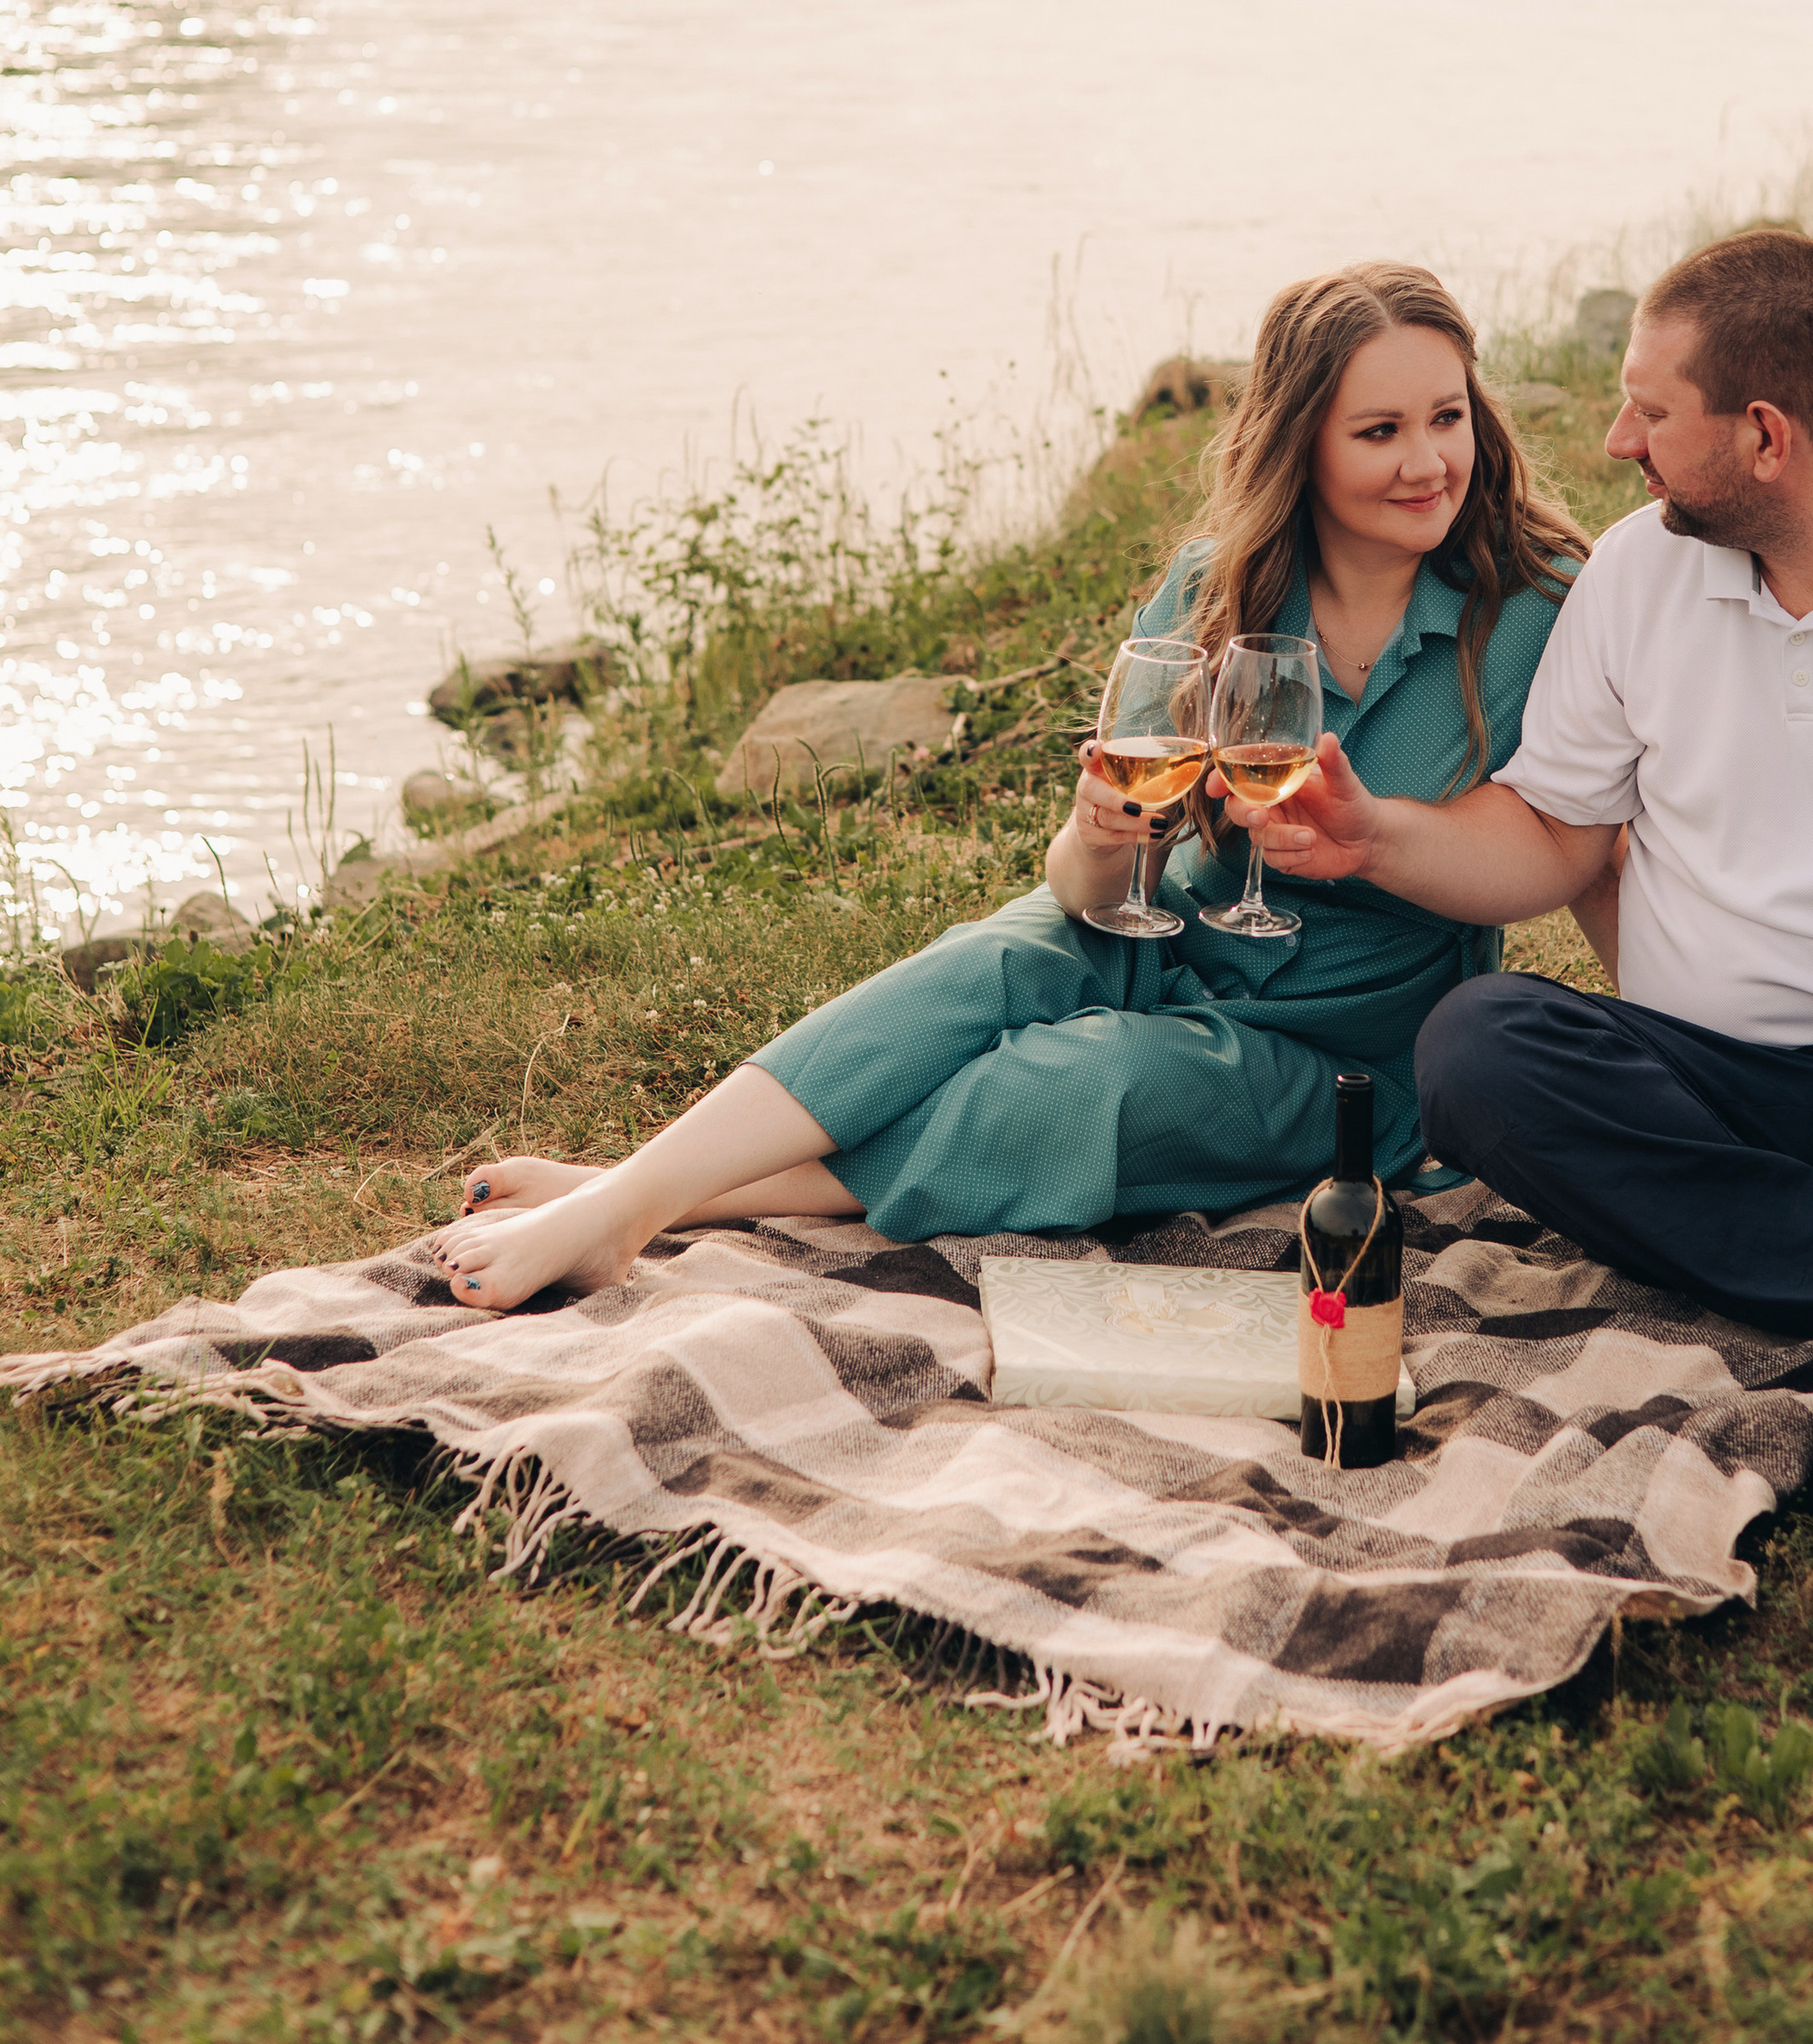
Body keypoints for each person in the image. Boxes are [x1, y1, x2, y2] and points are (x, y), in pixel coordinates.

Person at [1250, 227, 1813, 1590]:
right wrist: (1376, 837)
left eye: (1649, 410)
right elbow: (1553, 837)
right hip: (1705, 1099)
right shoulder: (1638, 574)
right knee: (1476, 1045)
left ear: (1763, 437)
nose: (1617, 439)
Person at [435, 262, 1597, 1311]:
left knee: (1078, 1078)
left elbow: (1562, 845)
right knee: (979, 965)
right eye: (1380, 430)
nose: (1426, 462)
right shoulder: (1216, 587)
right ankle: (630, 1195)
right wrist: (1099, 835)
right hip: (1169, 935)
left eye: (1446, 417)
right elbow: (1088, 886)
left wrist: (1379, 835)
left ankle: (637, 1195)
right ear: (1302, 442)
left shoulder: (1540, 604)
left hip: (1344, 1053)